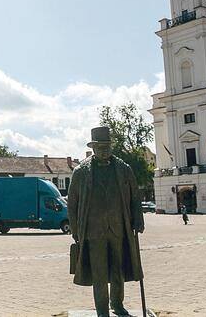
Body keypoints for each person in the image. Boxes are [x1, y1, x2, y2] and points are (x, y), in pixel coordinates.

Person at [68, 127, 144, 317]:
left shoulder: (123, 168)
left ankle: (117, 305)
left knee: (118, 269)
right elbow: (72, 202)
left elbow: (135, 196)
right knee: (99, 273)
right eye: (100, 147)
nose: (104, 150)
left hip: (118, 228)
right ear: (93, 147)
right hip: (93, 230)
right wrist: (75, 229)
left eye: (107, 146)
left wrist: (138, 219)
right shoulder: (81, 171)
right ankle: (102, 310)